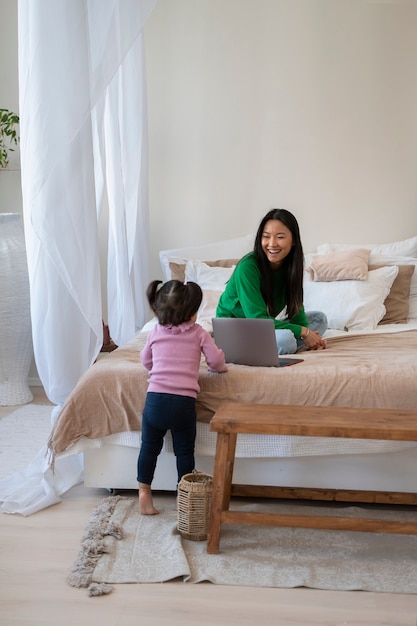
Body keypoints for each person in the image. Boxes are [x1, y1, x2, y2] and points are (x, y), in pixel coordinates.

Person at [137, 279, 228, 515]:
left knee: (148, 448)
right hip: (183, 404)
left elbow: (146, 360)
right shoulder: (199, 333)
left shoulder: (155, 331)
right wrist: (220, 368)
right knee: (184, 453)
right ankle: (184, 499)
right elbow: (216, 361)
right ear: (192, 313)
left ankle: (144, 493)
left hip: (155, 400)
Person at [216, 208, 327, 354]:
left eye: (280, 237)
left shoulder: (292, 267)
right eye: (266, 236)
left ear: (293, 240)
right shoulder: (248, 267)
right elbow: (257, 320)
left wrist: (308, 334)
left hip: (261, 329)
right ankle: (286, 344)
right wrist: (305, 332)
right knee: (286, 340)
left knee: (319, 319)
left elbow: (297, 312)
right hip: (235, 331)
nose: (271, 243)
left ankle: (290, 344)